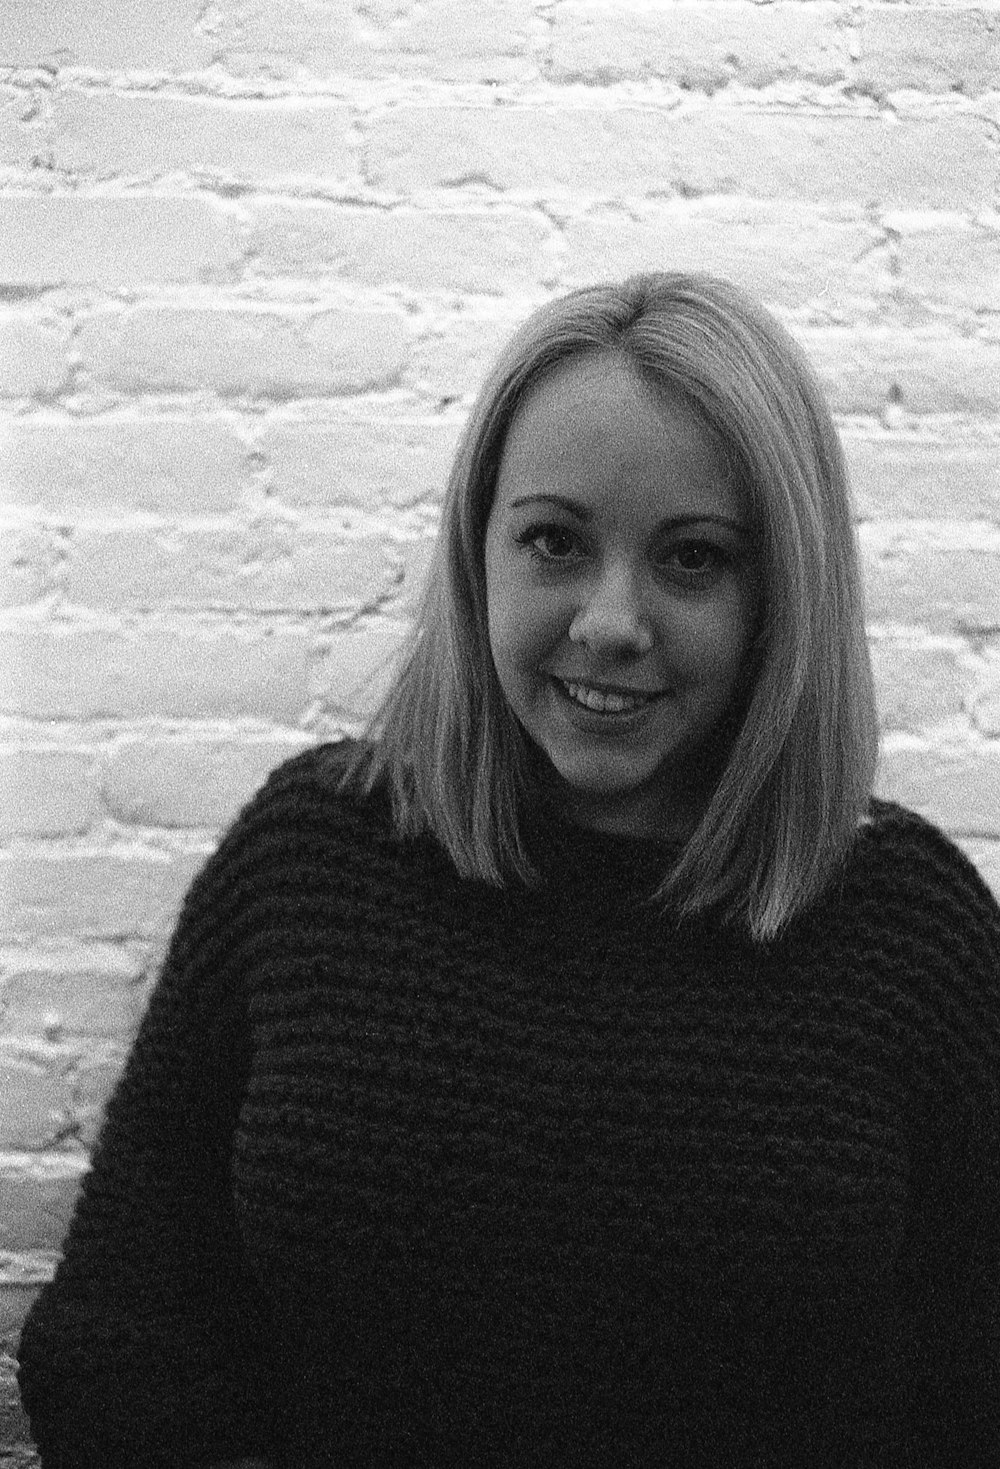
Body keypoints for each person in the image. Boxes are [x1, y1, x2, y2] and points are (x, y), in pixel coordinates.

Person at [17, 273, 1000, 1468]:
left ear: (779, 596)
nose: (609, 620)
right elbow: (121, 1330)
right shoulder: (312, 856)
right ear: (480, 547)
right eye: (554, 541)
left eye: (692, 560)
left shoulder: (911, 932)